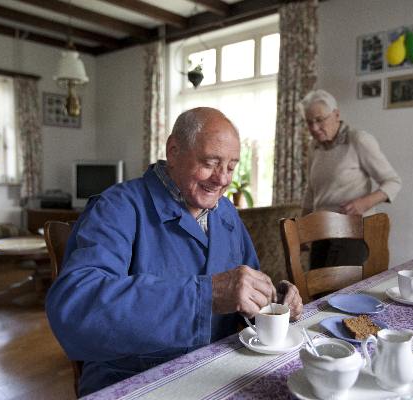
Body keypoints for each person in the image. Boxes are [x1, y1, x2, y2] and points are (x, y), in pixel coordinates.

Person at [45, 107, 303, 396]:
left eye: (231, 167)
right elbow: (75, 310)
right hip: (138, 378)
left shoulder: (226, 213)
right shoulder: (117, 208)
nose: (222, 179)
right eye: (210, 162)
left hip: (219, 370)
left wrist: (271, 302)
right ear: (174, 150)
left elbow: (245, 287)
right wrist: (206, 295)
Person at [300, 89, 402, 269]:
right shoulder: (313, 147)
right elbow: (311, 190)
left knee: (339, 292)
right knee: (317, 291)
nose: (314, 128)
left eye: (319, 120)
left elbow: (393, 182)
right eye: (309, 122)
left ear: (336, 114)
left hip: (352, 232)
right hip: (321, 231)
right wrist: (301, 229)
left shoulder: (358, 140)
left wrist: (365, 202)